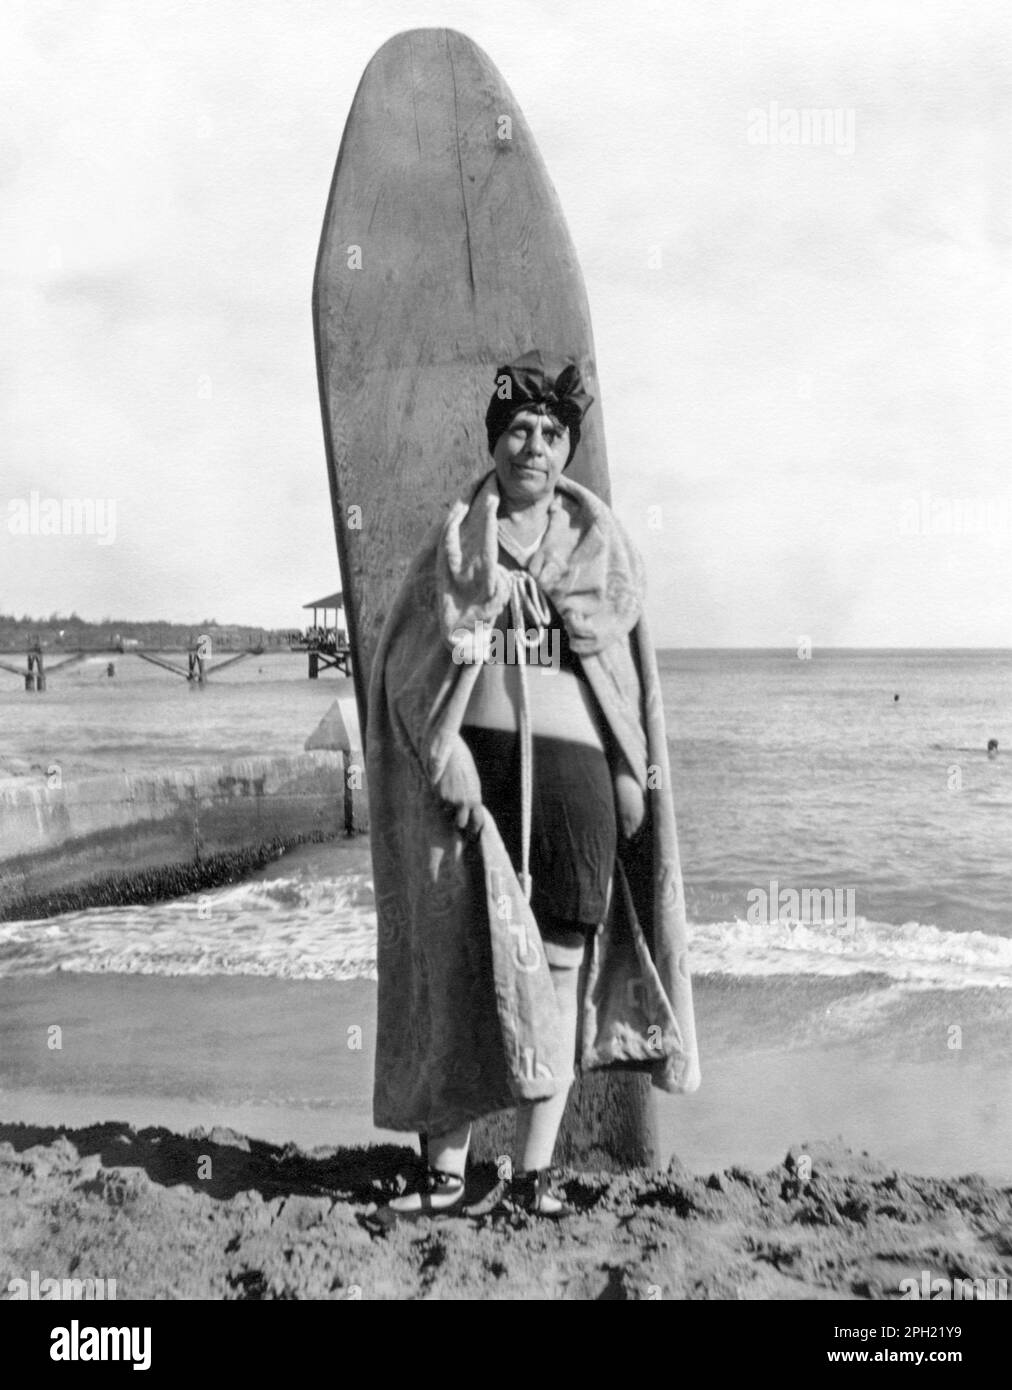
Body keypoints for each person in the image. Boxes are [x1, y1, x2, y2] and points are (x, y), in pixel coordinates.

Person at [367, 351, 700, 1222]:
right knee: (460, 963)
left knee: (560, 970)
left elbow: (624, 678)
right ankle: (444, 1170)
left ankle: (532, 1173)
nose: (535, 449)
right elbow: (409, 671)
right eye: (519, 431)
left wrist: (631, 773)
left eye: (552, 435)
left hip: (575, 788)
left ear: (566, 451)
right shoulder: (454, 548)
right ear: (495, 442)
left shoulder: (599, 550)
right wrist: (446, 755)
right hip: (475, 791)